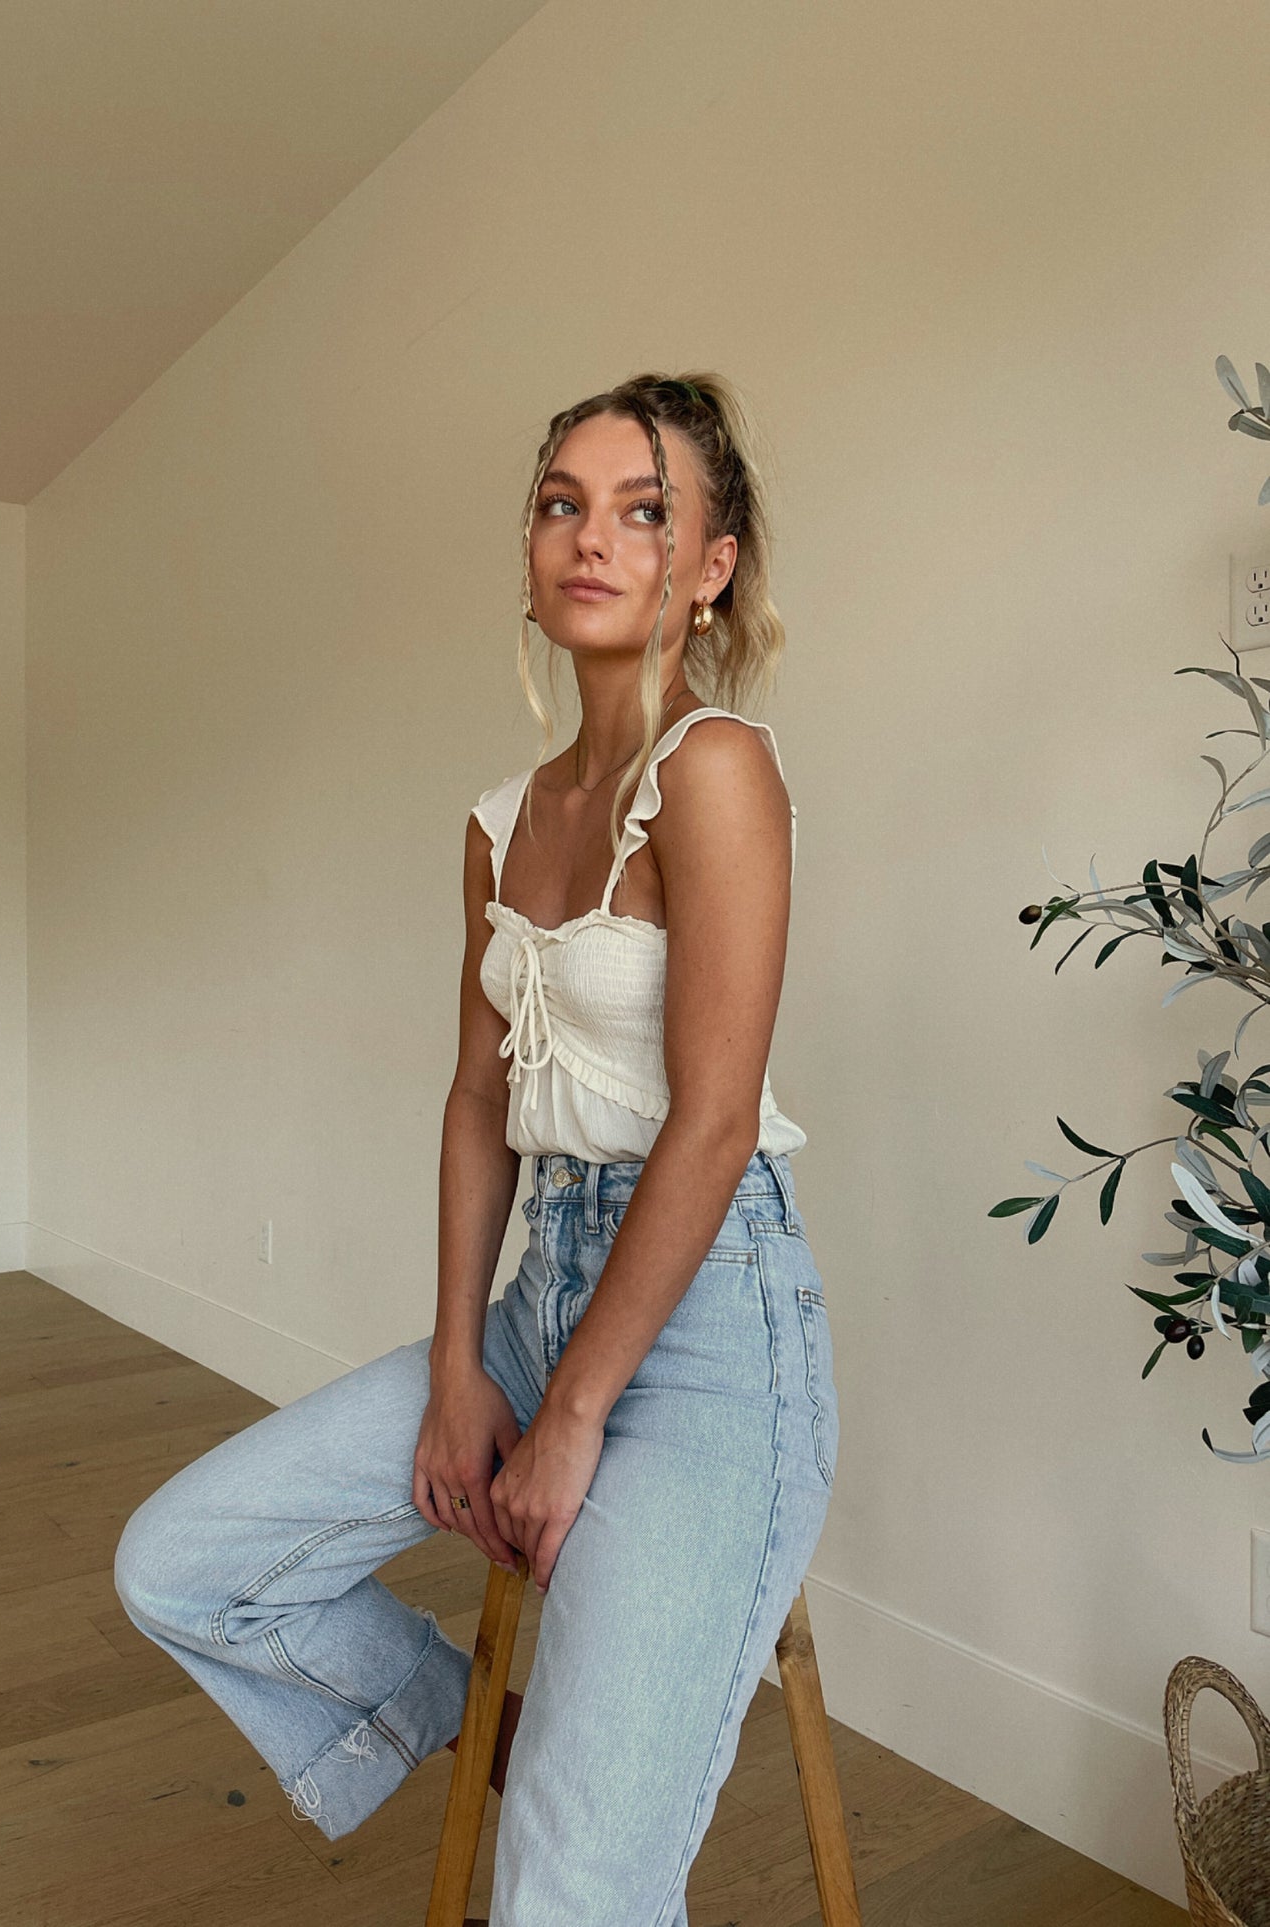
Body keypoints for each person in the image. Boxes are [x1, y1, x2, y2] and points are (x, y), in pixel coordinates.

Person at [113, 371, 839, 1925]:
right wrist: (464, 1367)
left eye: (643, 511)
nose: (591, 537)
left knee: (563, 1897)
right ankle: (484, 1725)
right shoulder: (502, 819)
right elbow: (472, 1101)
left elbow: (710, 1128)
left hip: (711, 1338)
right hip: (537, 1301)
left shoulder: (716, 771)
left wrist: (569, 1417)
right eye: (561, 504)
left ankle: (580, 1796)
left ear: (706, 567)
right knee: (180, 1564)